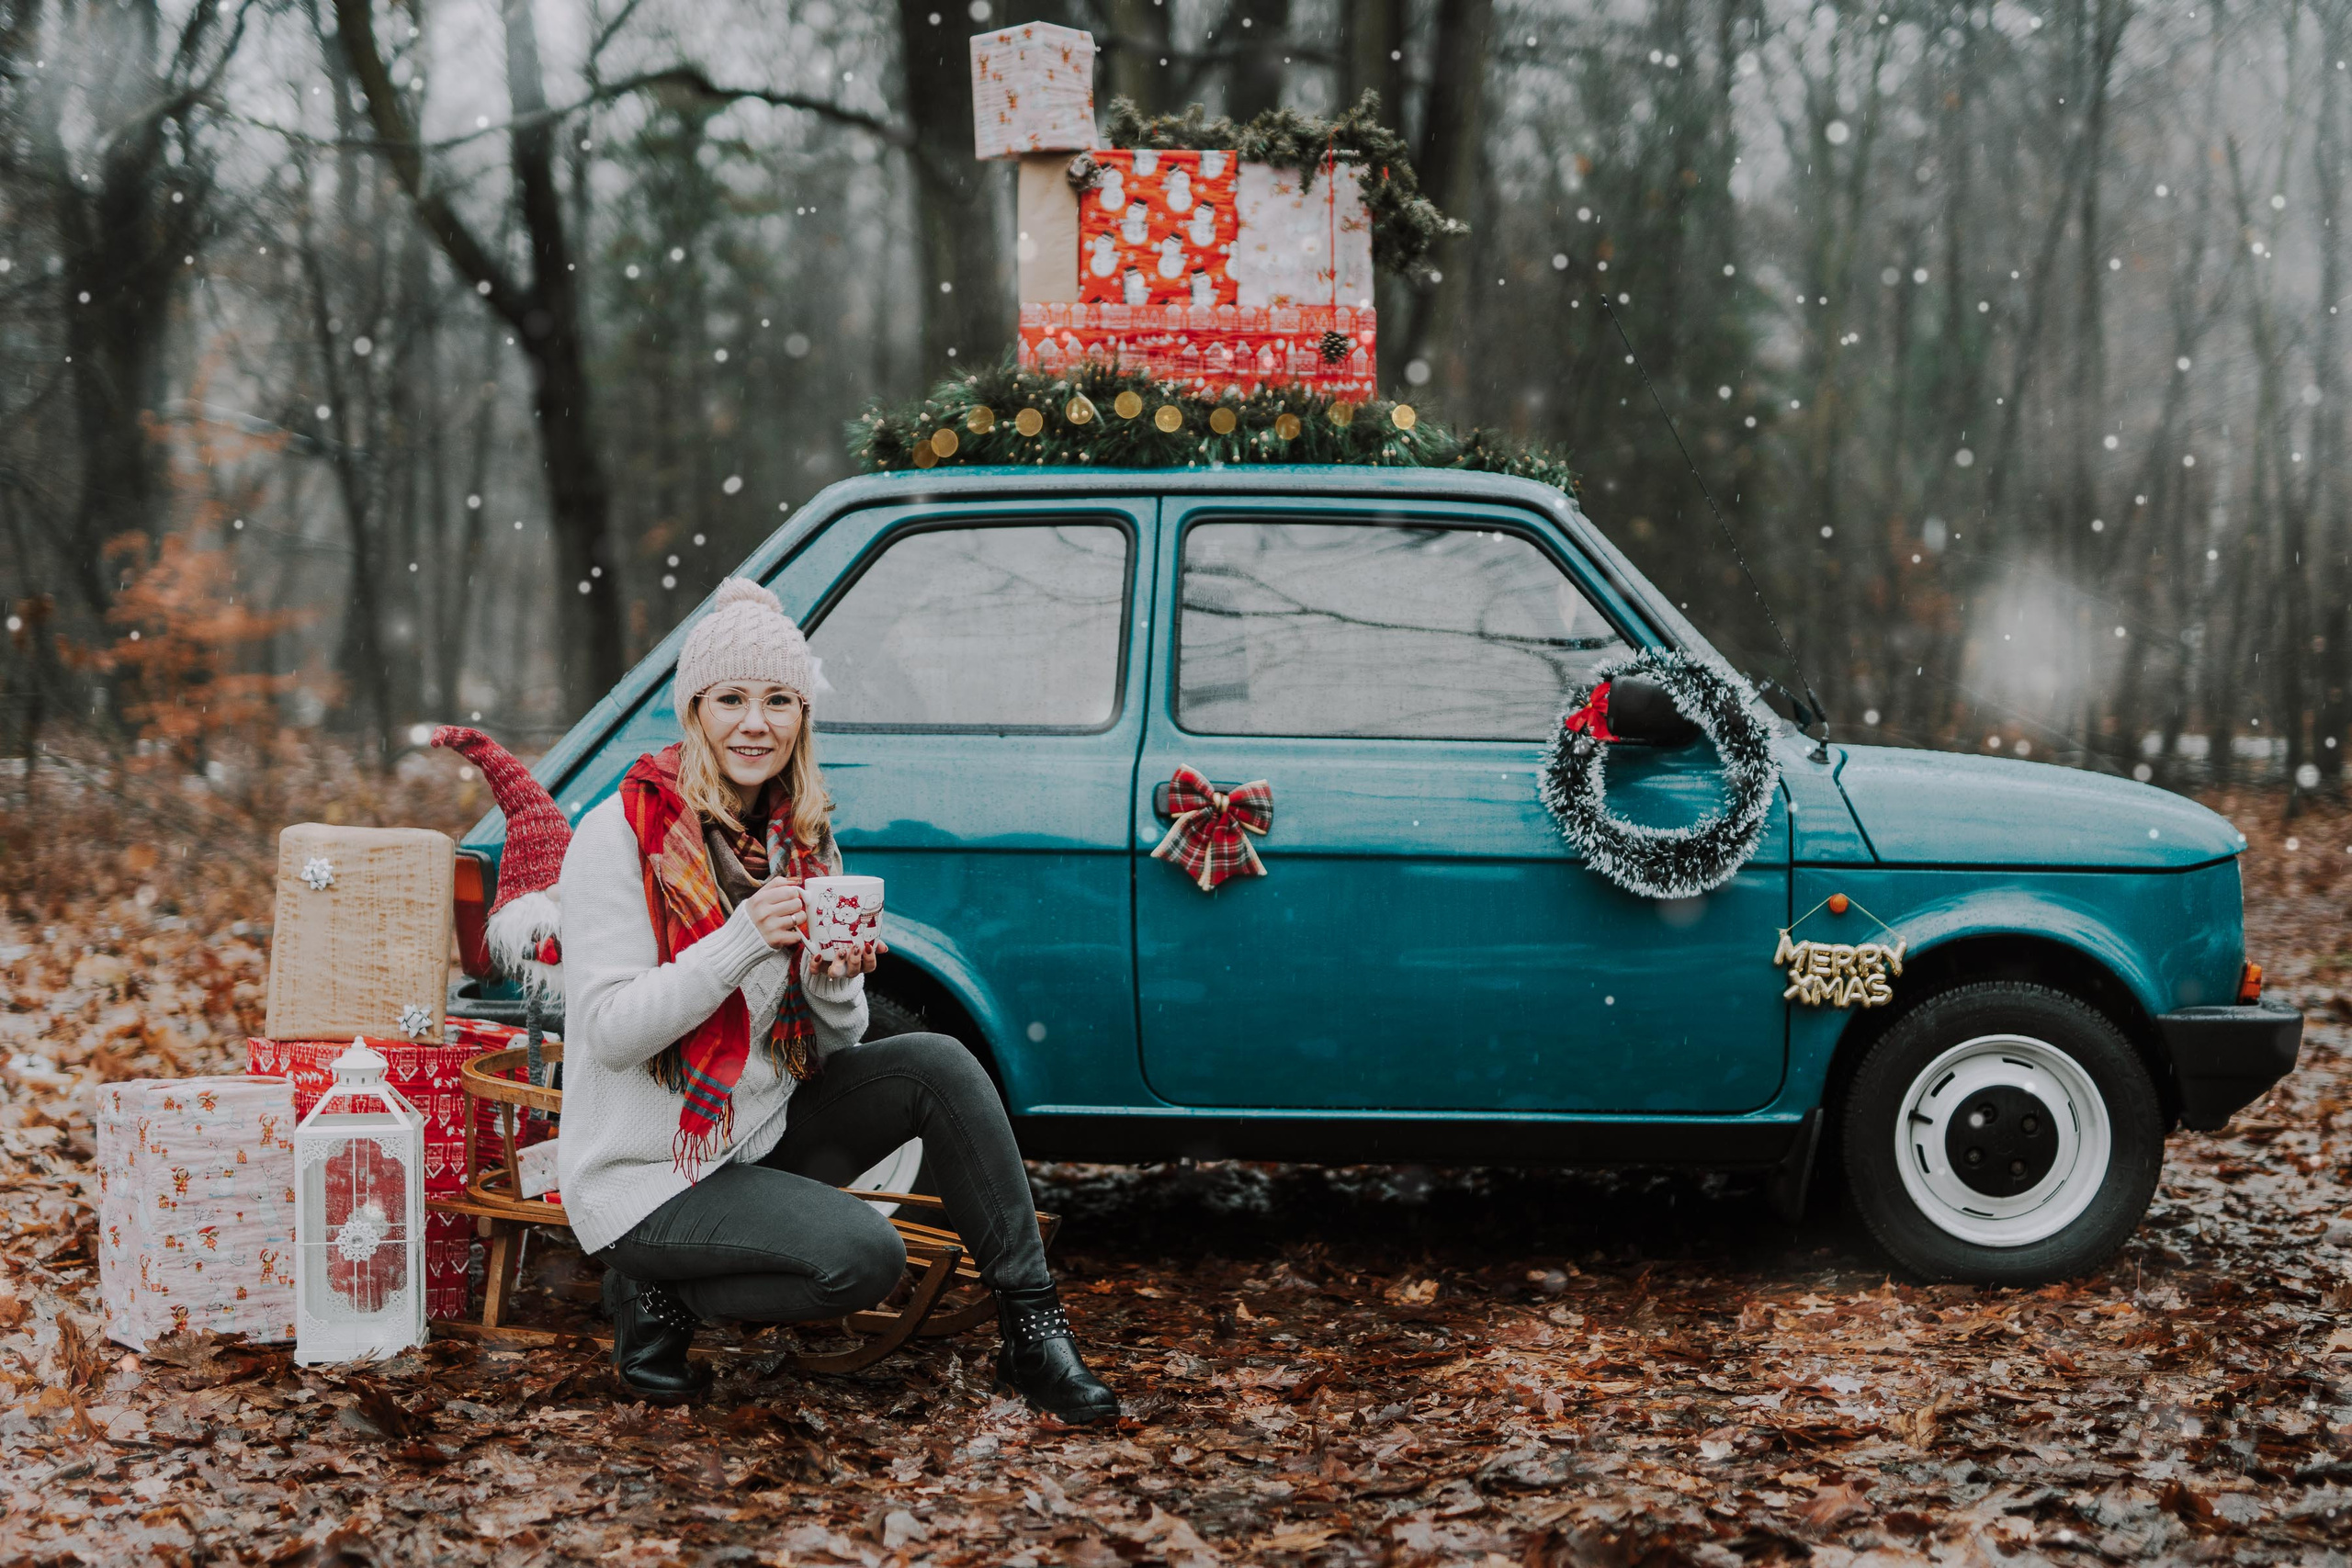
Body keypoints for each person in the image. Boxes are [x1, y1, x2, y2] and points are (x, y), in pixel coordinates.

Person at [556, 578, 1116, 1422]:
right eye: (733, 698)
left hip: (756, 1133)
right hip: (646, 1173)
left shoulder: (802, 837)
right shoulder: (619, 834)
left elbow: (835, 1039)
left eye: (780, 699)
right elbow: (609, 1033)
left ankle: (1034, 1331)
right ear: (695, 708)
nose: (757, 722)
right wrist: (744, 936)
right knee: (863, 1259)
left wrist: (833, 975)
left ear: (803, 715)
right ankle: (659, 1288)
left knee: (938, 1062)